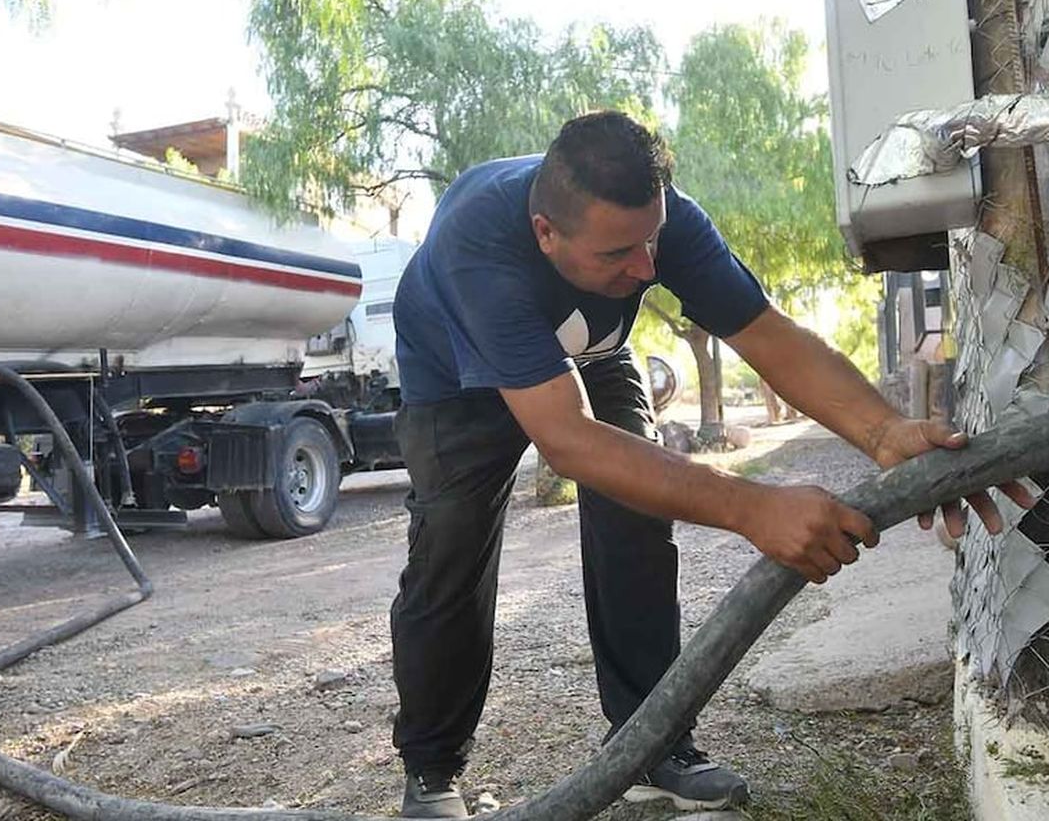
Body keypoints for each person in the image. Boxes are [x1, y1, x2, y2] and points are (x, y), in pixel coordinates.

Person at [388, 111, 1030, 818]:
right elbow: (567, 440)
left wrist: (884, 432)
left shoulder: (664, 224)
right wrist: (752, 507)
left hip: (594, 357)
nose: (646, 268)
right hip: (453, 386)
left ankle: (650, 748)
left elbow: (767, 335)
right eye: (617, 254)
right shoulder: (478, 244)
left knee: (638, 512)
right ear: (546, 233)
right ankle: (431, 771)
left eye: (650, 241)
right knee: (451, 550)